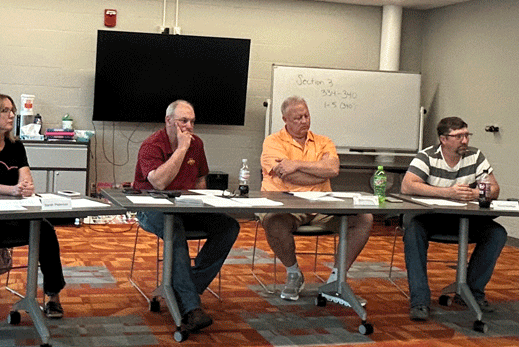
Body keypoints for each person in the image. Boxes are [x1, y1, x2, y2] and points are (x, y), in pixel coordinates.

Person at [133, 100, 240, 334]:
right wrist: (181, 149)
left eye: (192, 121)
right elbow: (159, 183)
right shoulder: (151, 145)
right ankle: (191, 308)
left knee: (228, 226)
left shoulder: (197, 144)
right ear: (169, 121)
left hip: (186, 206)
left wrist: (203, 202)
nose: (189, 126)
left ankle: (185, 288)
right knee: (175, 230)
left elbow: (201, 180)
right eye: (184, 121)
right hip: (151, 207)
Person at [0, 93, 67, 319]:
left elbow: (25, 179)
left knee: (45, 229)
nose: (11, 115)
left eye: (12, 110)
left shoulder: (16, 146)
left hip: (10, 214)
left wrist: (25, 187)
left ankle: (53, 295)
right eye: (5, 111)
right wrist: (11, 190)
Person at [259, 96, 373, 301]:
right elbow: (288, 175)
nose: (304, 121)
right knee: (273, 221)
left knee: (364, 218)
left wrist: (296, 164)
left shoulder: (323, 141)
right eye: (297, 118)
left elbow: (333, 169)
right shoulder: (272, 142)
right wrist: (316, 171)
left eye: (306, 115)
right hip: (286, 206)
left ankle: (337, 279)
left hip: (322, 205)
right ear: (285, 119)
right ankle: (293, 273)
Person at [399, 116, 506, 321]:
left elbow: (494, 188)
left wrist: (476, 194)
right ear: (443, 139)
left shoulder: (476, 156)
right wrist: (447, 193)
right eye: (458, 136)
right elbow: (408, 185)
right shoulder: (427, 156)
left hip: (466, 218)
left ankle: (471, 292)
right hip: (431, 218)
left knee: (497, 233)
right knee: (413, 232)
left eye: (467, 135)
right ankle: (420, 300)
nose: (465, 141)